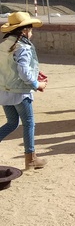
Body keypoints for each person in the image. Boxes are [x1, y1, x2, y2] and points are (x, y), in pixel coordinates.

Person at [0, 12, 47, 171]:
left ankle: (31, 158)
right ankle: (31, 158)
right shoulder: (23, 47)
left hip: (4, 92)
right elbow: (24, 72)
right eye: (30, 29)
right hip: (20, 92)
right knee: (29, 123)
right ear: (24, 31)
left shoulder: (4, 44)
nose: (32, 33)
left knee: (12, 122)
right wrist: (37, 84)